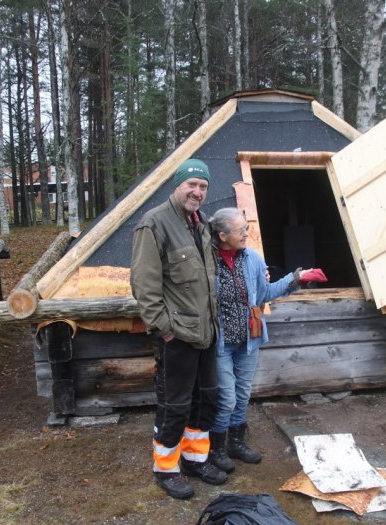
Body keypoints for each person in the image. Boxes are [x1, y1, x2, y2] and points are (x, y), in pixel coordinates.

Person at [130, 158, 227, 500]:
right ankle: (166, 468)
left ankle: (195, 459)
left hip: (206, 333)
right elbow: (144, 287)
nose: (197, 192)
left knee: (205, 398)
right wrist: (165, 331)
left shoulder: (201, 225)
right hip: (177, 337)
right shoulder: (154, 224)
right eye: (192, 185)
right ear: (178, 185)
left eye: (203, 186)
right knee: (175, 405)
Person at [206, 207, 325, 473]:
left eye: (246, 228)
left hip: (249, 338)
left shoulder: (254, 259)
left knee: (242, 394)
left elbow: (264, 294)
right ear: (223, 235)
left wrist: (296, 278)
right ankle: (216, 449)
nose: (246, 234)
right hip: (221, 343)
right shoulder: (206, 261)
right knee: (226, 399)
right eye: (240, 230)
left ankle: (236, 443)